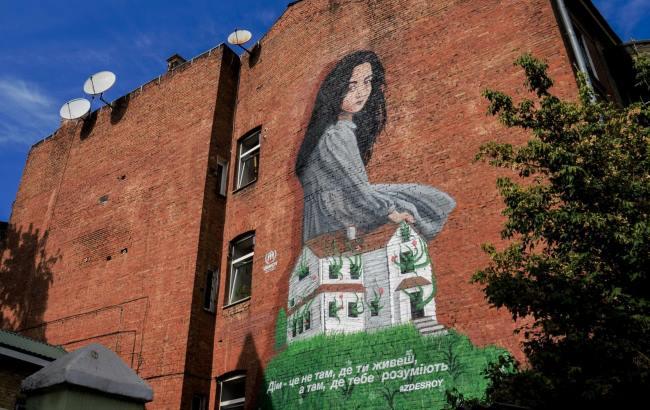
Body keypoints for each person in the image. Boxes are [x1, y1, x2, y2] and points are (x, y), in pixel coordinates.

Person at [295, 50, 455, 243]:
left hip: (326, 219)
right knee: (413, 201)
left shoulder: (334, 130)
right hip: (334, 220)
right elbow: (357, 189)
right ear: (337, 89)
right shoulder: (337, 134)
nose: (362, 92)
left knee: (412, 195)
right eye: (352, 86)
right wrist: (391, 213)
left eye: (367, 82)